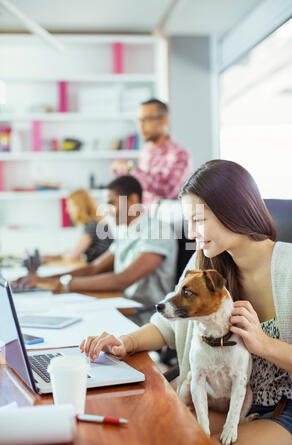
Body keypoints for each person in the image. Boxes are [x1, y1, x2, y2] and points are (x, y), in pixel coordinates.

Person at [80, 160, 292, 445]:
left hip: (286, 411)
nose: (192, 231)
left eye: (198, 219)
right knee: (150, 437)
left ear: (233, 209)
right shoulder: (205, 263)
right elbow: (167, 326)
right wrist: (125, 342)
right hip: (220, 401)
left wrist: (264, 344)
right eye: (188, 222)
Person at [15, 176, 178, 308]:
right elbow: (94, 268)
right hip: (121, 304)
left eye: (111, 203)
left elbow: (123, 280)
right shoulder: (125, 231)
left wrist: (58, 284)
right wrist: (42, 280)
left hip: (144, 316)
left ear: (133, 200)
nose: (106, 210)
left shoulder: (157, 231)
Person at [111, 98, 192, 209]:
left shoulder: (179, 154)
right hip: (144, 219)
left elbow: (167, 190)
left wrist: (131, 169)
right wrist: (122, 172)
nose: (141, 126)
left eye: (147, 119)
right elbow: (142, 188)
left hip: (167, 221)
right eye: (139, 120)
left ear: (164, 121)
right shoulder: (146, 151)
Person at [42, 189, 113, 263]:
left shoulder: (92, 226)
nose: (67, 210)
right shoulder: (96, 223)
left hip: (101, 271)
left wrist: (51, 258)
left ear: (79, 206)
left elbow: (73, 255)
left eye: (70, 206)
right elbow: (75, 252)